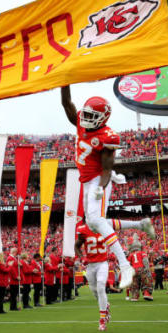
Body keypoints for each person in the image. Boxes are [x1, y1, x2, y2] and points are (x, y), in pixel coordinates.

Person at [61, 86, 156, 289]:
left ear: (103, 118)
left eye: (91, 115)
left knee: (95, 220)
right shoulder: (83, 122)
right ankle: (141, 224)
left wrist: (100, 188)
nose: (85, 118)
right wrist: (64, 83)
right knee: (96, 223)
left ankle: (125, 265)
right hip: (86, 180)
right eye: (85, 113)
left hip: (98, 179)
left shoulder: (108, 136)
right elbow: (67, 105)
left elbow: (106, 169)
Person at [75, 223, 111, 332]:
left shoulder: (105, 226)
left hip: (102, 263)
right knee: (95, 292)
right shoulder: (83, 230)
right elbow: (76, 246)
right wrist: (82, 257)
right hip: (90, 265)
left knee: (101, 287)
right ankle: (106, 306)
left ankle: (102, 320)